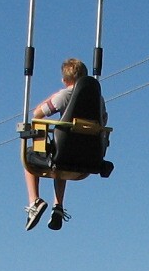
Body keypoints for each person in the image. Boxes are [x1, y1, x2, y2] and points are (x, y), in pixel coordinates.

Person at [23, 57, 101, 232]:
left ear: (66, 79)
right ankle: (58, 205)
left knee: (29, 157)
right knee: (62, 162)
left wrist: (54, 96)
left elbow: (37, 114)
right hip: (88, 155)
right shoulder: (98, 100)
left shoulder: (64, 95)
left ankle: (34, 200)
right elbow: (104, 119)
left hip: (65, 153)